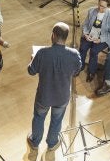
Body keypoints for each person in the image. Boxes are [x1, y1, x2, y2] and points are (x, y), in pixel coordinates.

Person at [27, 22, 81, 151]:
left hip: (44, 96)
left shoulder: (42, 53)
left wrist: (32, 59)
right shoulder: (74, 54)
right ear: (66, 37)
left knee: (39, 118)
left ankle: (35, 142)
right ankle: (52, 144)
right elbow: (77, 71)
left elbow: (31, 71)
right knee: (57, 120)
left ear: (53, 36)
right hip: (62, 96)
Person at [79, 0, 110, 82]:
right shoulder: (92, 10)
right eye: (99, 5)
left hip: (103, 38)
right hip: (90, 35)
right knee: (83, 48)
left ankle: (92, 72)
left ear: (108, 7)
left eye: (103, 6)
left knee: (93, 51)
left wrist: (100, 39)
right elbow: (85, 24)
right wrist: (85, 34)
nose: (100, 8)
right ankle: (80, 66)